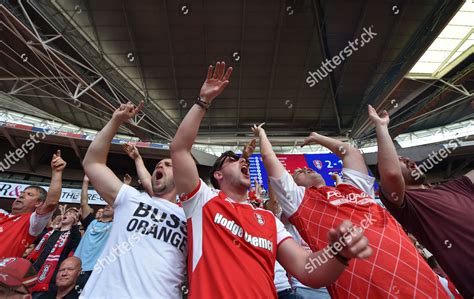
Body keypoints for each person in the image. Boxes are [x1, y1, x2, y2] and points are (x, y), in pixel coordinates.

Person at [170, 61, 372, 298]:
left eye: (243, 159)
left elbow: (307, 270)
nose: (242, 161)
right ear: (218, 174)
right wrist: (203, 101)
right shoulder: (202, 202)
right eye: (233, 160)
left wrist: (338, 253)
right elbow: (180, 149)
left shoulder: (269, 219)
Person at [254, 124, 450, 298]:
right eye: (297, 173)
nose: (305, 170)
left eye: (306, 169)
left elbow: (351, 153)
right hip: (362, 290)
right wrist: (262, 135)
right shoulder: (299, 201)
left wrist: (317, 137)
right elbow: (270, 159)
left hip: (424, 284)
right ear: (292, 185)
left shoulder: (354, 188)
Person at [81, 102, 187, 298]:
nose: (160, 166)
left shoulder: (191, 216)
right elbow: (93, 163)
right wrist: (116, 121)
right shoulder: (131, 198)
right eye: (158, 164)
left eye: (168, 164)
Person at [368, 104, 474, 298]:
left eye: (408, 159)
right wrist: (382, 127)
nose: (409, 160)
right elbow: (391, 173)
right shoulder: (408, 205)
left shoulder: (459, 187)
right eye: (401, 160)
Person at [0, 151, 66, 259]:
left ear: (38, 203)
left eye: (29, 194)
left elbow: (51, 203)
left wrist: (57, 173)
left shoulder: (32, 223)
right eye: (21, 193)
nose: (21, 196)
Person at [28, 208, 80, 297]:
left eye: (72, 214)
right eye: (67, 213)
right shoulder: (50, 233)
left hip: (49, 280)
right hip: (33, 271)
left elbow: (76, 241)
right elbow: (34, 236)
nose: (67, 214)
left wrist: (75, 225)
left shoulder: (73, 235)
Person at [74, 175, 113, 288]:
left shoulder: (115, 226)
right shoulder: (91, 222)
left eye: (111, 206)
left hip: (96, 270)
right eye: (106, 205)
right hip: (77, 268)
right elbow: (84, 203)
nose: (107, 206)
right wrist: (86, 182)